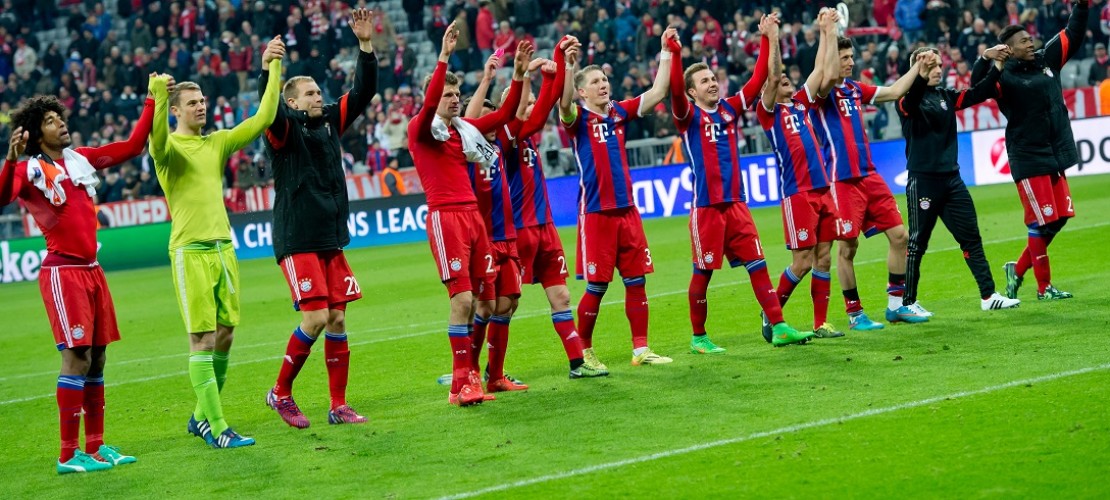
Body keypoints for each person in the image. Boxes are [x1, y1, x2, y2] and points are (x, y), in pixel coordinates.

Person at [2, 86, 158, 473]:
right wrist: (9, 159)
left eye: (61, 118)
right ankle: (68, 454)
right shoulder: (29, 169)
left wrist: (154, 100)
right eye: (52, 121)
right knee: (76, 357)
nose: (62, 124)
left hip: (92, 270)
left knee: (99, 357)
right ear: (37, 135)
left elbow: (134, 146)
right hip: (63, 272)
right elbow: (3, 196)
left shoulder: (80, 160)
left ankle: (96, 445)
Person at [149, 36, 283, 448]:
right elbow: (153, 140)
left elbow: (263, 117)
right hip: (190, 251)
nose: (201, 106)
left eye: (203, 100)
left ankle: (199, 416)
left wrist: (272, 65)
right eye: (192, 103)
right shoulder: (169, 148)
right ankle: (219, 428)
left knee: (225, 334)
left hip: (224, 248)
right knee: (201, 340)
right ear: (175, 112)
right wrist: (156, 96)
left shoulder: (216, 142)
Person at [262, 8, 378, 430]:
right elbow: (270, 111)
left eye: (318, 92)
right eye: (310, 94)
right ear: (293, 102)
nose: (319, 97)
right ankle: (281, 392)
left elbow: (362, 93)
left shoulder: (328, 122)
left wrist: (365, 47)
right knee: (313, 318)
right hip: (297, 238)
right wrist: (269, 70)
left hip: (330, 237)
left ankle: (338, 405)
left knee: (338, 317)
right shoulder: (284, 129)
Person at [670, 14, 810, 352]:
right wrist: (674, 54)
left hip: (736, 204)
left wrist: (765, 38)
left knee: (758, 265)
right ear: (692, 91)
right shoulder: (687, 116)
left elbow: (758, 78)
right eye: (704, 82)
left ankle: (778, 326)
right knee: (703, 274)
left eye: (713, 78)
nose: (713, 83)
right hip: (706, 209)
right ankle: (698, 336)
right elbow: (673, 90)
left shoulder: (730, 109)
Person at [407, 22, 529, 406]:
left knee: (487, 303)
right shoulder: (421, 130)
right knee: (461, 301)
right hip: (447, 219)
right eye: (448, 94)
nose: (454, 99)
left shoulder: (464, 131)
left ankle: (475, 377)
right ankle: (460, 385)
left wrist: (520, 74)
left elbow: (506, 113)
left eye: (457, 94)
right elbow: (428, 107)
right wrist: (444, 56)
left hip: (475, 220)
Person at [558, 26, 679, 367]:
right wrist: (568, 66)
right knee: (597, 287)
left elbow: (658, 92)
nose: (603, 84)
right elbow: (562, 102)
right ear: (583, 91)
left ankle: (641, 350)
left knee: (636, 280)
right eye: (595, 81)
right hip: (596, 212)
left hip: (627, 210)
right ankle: (583, 350)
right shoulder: (576, 118)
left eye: (604, 79)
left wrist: (665, 51)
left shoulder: (619, 112)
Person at [971, 1, 1089, 301]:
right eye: (1023, 41)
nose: (1031, 42)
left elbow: (1072, 34)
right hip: (1028, 156)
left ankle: (1018, 269)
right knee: (1042, 221)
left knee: (1060, 218)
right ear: (1009, 49)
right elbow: (977, 87)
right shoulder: (1004, 76)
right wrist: (986, 58)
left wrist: (1082, 6)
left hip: (1053, 154)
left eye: (1029, 38)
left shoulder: (1047, 61)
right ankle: (1043, 287)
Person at [897, 46, 1022, 318]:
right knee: (918, 243)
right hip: (923, 182)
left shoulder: (945, 96)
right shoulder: (906, 100)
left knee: (971, 238)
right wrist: (918, 70)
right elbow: (914, 94)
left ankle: (988, 296)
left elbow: (980, 91)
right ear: (918, 70)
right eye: (932, 66)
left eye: (940, 65)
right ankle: (907, 303)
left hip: (952, 180)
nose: (939, 70)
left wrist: (992, 62)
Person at [812, 35, 926, 329]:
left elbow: (896, 90)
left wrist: (917, 65)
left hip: (869, 175)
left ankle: (897, 305)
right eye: (844, 58)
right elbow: (823, 75)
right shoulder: (821, 93)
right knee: (848, 248)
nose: (851, 62)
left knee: (900, 236)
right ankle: (854, 313)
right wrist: (827, 32)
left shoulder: (853, 89)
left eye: (851, 57)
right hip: (841, 181)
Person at [755, 10, 839, 345]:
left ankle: (821, 323)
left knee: (824, 256)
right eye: (781, 82)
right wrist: (773, 39)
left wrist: (825, 31)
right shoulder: (768, 112)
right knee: (802, 262)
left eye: (790, 80)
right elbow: (773, 78)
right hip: (798, 193)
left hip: (822, 190)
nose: (786, 82)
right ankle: (772, 313)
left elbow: (821, 70)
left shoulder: (802, 105)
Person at [459, 51, 538, 394]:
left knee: (509, 303)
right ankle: (470, 373)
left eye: (494, 121)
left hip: (508, 236)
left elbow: (517, 111)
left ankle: (495, 375)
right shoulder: (463, 148)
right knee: (485, 306)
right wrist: (488, 78)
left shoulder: (500, 145)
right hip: (483, 238)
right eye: (483, 122)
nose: (489, 125)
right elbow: (470, 121)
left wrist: (525, 74)